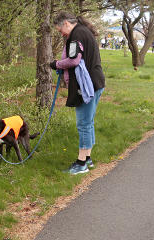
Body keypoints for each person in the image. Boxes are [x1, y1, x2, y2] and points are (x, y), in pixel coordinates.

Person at [49, 12, 105, 175]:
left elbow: (74, 60)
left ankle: (81, 164)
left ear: (66, 23)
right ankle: (87, 158)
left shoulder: (76, 35)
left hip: (87, 86)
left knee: (83, 123)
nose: (61, 33)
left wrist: (57, 64)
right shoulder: (82, 31)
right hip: (95, 82)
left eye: (60, 30)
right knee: (88, 121)